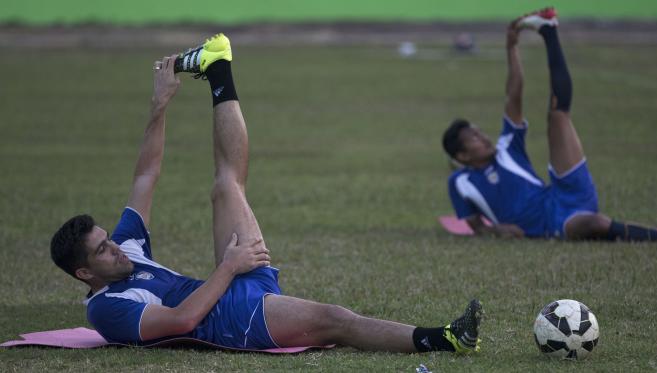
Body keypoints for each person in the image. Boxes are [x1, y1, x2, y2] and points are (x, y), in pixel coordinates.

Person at [50, 33, 482, 353]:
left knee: (227, 185)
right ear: (84, 274)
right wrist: (230, 266)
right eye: (103, 251)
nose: (117, 249)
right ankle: (445, 339)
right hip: (226, 321)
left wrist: (159, 105)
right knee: (335, 320)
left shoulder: (125, 249)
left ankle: (218, 69)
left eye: (108, 240)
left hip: (231, 283)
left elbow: (146, 175)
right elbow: (184, 319)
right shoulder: (107, 310)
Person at [442, 8, 657, 241]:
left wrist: (511, 47)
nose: (483, 138)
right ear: (462, 156)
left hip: (561, 194)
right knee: (595, 223)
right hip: (549, 222)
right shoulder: (460, 182)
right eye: (474, 138)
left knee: (558, 116)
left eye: (480, 132)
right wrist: (497, 230)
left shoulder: (507, 146)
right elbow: (476, 226)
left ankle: (549, 31)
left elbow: (513, 95)